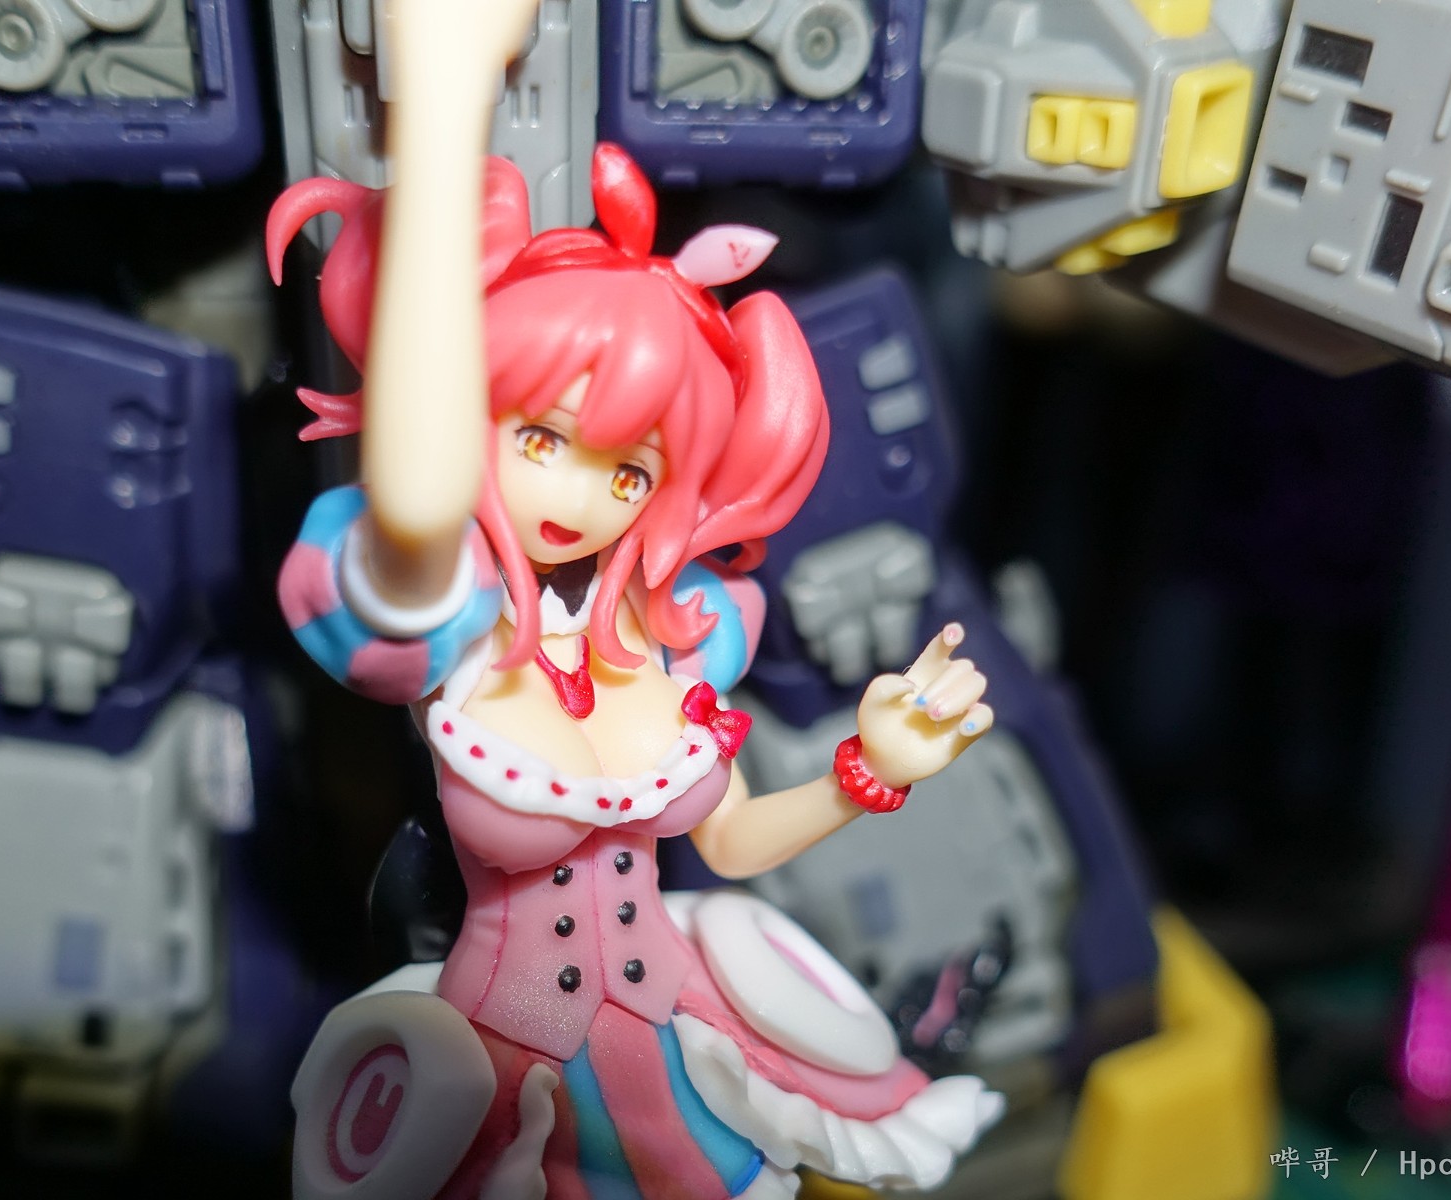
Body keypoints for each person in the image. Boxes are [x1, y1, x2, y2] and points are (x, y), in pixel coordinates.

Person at [270, 4, 1000, 1194]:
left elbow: (731, 840)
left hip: (674, 1044)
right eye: (541, 439)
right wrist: (444, 94)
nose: (580, 495)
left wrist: (869, 772)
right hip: (503, 1067)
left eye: (628, 473)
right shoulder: (456, 625)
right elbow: (417, 494)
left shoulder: (674, 637)